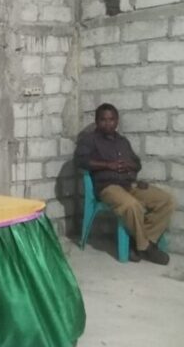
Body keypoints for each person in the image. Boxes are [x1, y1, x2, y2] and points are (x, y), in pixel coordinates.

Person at [75, 103, 174, 265]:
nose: (108, 123)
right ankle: (146, 247)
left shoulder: (123, 141)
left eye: (111, 119)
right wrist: (108, 165)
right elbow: (80, 161)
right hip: (108, 187)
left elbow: (137, 163)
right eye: (103, 120)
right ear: (97, 121)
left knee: (166, 200)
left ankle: (142, 242)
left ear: (117, 121)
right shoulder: (90, 140)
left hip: (130, 185)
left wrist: (131, 167)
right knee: (131, 205)